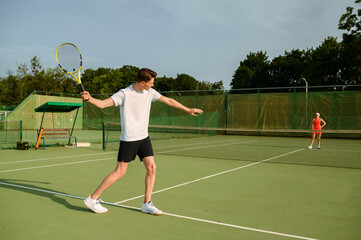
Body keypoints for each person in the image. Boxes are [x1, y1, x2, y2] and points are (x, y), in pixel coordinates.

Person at [81, 68, 203, 215]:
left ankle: (147, 203)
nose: (152, 85)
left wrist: (187, 109)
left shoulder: (150, 92)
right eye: (151, 83)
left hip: (143, 137)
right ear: (142, 82)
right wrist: (90, 99)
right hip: (129, 139)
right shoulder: (124, 94)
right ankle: (92, 199)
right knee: (120, 172)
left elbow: (168, 100)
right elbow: (102, 104)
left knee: (152, 167)